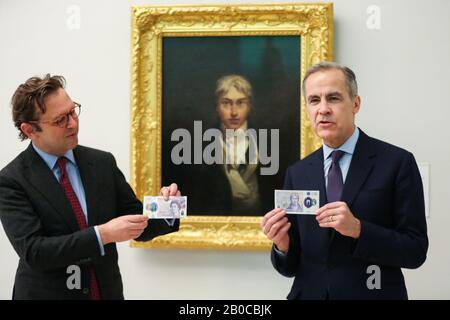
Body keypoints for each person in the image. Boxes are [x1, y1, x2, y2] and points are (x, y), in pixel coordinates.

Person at [0, 74, 181, 300]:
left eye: (73, 111)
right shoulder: (11, 180)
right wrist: (102, 234)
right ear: (30, 130)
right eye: (60, 120)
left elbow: (136, 221)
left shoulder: (102, 163)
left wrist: (168, 207)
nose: (73, 123)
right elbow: (35, 252)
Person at [261, 62, 428, 299]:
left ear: (355, 104)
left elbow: (415, 251)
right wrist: (282, 245)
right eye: (314, 100)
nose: (323, 109)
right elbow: (290, 267)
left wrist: (358, 229)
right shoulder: (297, 173)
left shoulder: (397, 163)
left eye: (334, 98)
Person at [189, 74, 275, 216]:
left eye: (240, 103)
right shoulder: (201, 144)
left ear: (250, 106)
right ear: (217, 106)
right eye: (226, 103)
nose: (234, 112)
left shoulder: (269, 140)